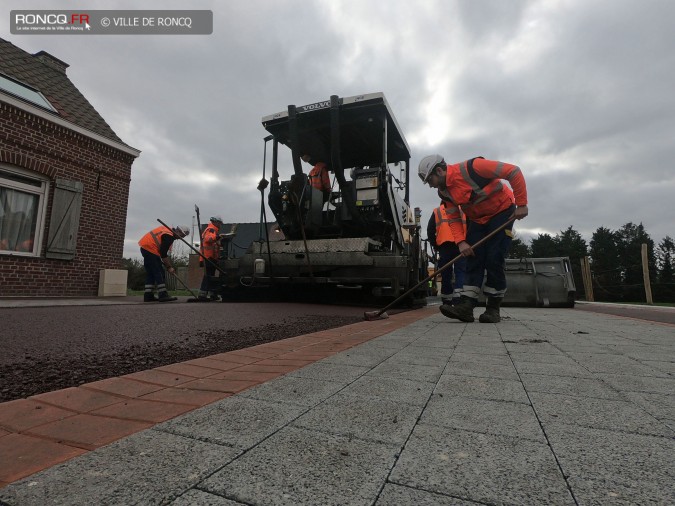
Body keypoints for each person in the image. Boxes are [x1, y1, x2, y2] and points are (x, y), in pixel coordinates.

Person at [418, 154, 528, 323]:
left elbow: (513, 171)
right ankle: (466, 307)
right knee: (473, 258)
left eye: (430, 180)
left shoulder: (474, 167)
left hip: (501, 212)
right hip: (477, 220)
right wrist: (461, 242)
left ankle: (493, 308)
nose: (430, 186)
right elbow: (454, 217)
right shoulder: (444, 192)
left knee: (494, 258)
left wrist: (521, 204)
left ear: (439, 171)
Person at [427, 202, 467, 306]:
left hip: (444, 246)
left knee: (445, 274)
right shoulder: (463, 209)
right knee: (461, 272)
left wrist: (435, 245)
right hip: (461, 244)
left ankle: (446, 299)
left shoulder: (437, 211)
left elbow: (430, 230)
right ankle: (459, 298)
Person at [138, 224, 190, 302]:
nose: (180, 238)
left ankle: (148, 296)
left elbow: (162, 252)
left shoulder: (167, 231)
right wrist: (169, 267)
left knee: (151, 273)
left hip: (146, 247)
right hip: (150, 249)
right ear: (178, 231)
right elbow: (163, 254)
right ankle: (163, 295)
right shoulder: (169, 236)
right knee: (159, 272)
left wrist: (168, 265)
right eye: (181, 236)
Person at [198, 215, 224, 301]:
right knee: (208, 276)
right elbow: (208, 239)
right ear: (215, 222)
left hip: (211, 257)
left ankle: (212, 294)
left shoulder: (214, 230)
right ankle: (202, 295)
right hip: (208, 257)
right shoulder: (211, 229)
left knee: (211, 276)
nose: (220, 225)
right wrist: (218, 237)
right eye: (220, 223)